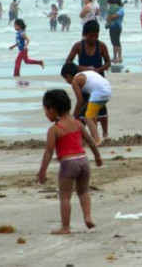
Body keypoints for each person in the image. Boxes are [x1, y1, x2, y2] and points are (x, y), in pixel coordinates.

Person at [37, 88, 102, 234]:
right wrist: (97, 156)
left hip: (68, 164)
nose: (46, 114)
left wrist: (43, 170)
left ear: (53, 110)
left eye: (46, 111)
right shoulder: (78, 124)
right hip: (83, 160)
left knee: (65, 196)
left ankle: (65, 227)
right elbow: (90, 140)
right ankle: (87, 216)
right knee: (83, 191)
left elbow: (49, 151)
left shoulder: (54, 130)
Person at [66, 20, 111, 139]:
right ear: (85, 34)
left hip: (98, 81)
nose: (94, 38)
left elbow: (108, 62)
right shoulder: (78, 46)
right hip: (84, 81)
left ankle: (105, 133)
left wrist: (99, 69)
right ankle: (83, 133)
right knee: (85, 106)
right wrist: (81, 68)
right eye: (91, 36)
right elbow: (68, 62)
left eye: (96, 36)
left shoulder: (101, 46)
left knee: (100, 107)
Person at [60, 63, 112, 145]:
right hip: (107, 90)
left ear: (68, 76)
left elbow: (80, 100)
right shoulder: (85, 74)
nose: (67, 82)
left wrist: (75, 115)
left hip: (99, 92)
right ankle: (93, 136)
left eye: (65, 79)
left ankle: (96, 140)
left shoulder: (75, 81)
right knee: (92, 114)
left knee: (87, 117)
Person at [105, 0, 125, 64]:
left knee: (117, 42)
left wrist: (109, 17)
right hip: (112, 27)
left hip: (117, 27)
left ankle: (119, 57)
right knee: (113, 42)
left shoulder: (121, 9)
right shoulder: (115, 9)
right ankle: (115, 57)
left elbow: (115, 16)